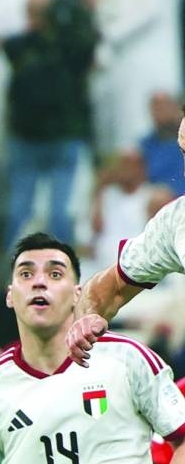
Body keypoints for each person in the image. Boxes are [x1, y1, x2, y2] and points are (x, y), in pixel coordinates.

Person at [0, 233, 185, 462]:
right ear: (10, 295)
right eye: (26, 274)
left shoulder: (127, 358)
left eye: (55, 274)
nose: (39, 282)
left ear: (77, 294)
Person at [67, 118, 185, 365]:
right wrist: (86, 320)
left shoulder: (154, 198)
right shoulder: (175, 221)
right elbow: (109, 289)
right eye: (184, 153)